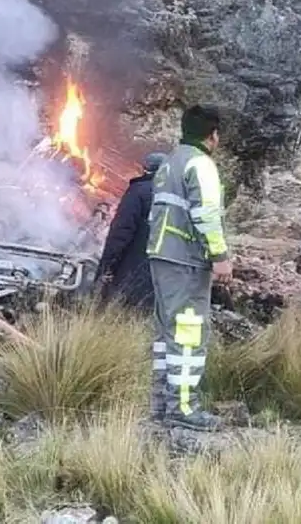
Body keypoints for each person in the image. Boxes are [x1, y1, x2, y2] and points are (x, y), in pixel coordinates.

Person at [145, 105, 232, 432]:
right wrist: (219, 255)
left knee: (167, 330)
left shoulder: (169, 163)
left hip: (161, 255)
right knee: (189, 330)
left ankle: (162, 402)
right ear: (212, 136)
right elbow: (206, 214)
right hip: (186, 259)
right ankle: (183, 407)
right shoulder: (201, 163)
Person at [96, 152, 167, 312]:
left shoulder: (139, 191)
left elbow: (121, 232)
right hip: (165, 278)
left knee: (119, 316)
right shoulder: (180, 198)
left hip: (132, 272)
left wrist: (107, 266)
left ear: (146, 170)